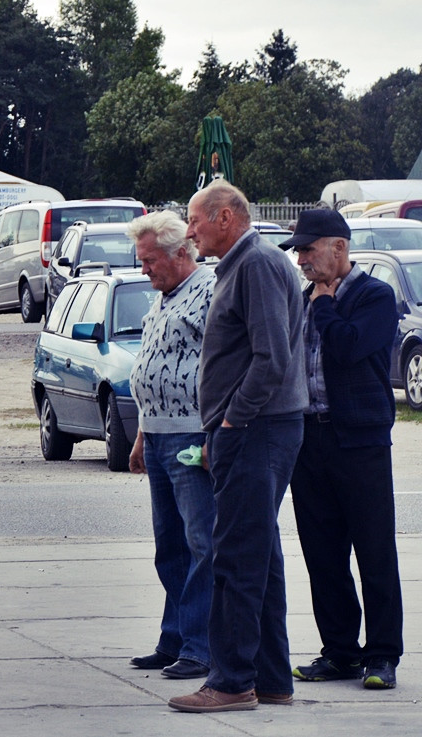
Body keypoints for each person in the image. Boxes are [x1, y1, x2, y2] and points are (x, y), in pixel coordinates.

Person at [169, 181, 307, 712]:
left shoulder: (256, 265)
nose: (190, 231)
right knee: (260, 556)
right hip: (253, 430)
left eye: (196, 221)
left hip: (256, 431)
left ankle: (230, 683)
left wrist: (230, 423)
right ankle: (271, 677)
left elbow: (270, 358)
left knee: (237, 558)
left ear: (226, 217)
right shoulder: (243, 265)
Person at [280, 210, 403, 690]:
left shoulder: (375, 295)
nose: (304, 260)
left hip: (361, 441)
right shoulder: (301, 296)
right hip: (310, 440)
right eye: (300, 252)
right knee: (322, 554)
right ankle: (339, 652)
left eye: (310, 250)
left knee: (374, 552)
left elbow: (350, 346)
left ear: (339, 247)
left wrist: (325, 304)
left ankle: (382, 656)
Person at [125, 211, 216, 681]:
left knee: (202, 543)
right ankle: (176, 638)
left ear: (181, 252)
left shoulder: (208, 291)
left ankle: (202, 647)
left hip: (191, 433)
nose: (144, 270)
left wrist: (212, 435)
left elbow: (221, 365)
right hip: (159, 432)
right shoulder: (164, 297)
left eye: (149, 260)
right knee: (171, 546)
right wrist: (142, 433)